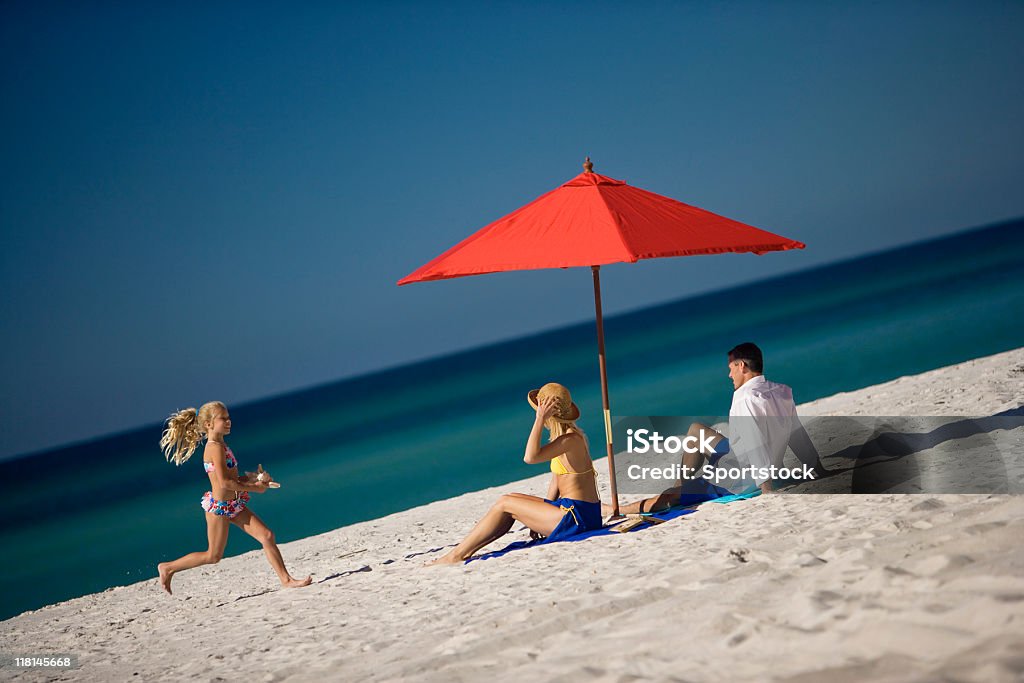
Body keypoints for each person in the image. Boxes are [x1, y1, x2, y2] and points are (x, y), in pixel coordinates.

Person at [611, 342, 827, 514]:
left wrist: (766, 488)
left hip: (741, 476)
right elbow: (796, 433)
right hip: (741, 458)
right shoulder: (781, 391)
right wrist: (817, 467)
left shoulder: (744, 398)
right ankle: (682, 484)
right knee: (696, 430)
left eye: (731, 368)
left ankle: (618, 508)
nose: (729, 375)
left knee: (669, 497)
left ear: (741, 366)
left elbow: (754, 443)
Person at [428, 383, 603, 565]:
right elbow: (557, 480)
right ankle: (464, 552)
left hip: (577, 518)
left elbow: (530, 457)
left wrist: (539, 419)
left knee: (505, 503)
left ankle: (455, 555)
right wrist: (541, 516)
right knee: (510, 497)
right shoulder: (568, 439)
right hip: (578, 513)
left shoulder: (570, 440)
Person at [156, 401, 311, 594]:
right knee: (213, 556)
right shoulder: (214, 448)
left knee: (267, 536)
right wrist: (255, 488)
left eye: (229, 417)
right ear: (209, 424)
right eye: (223, 418)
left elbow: (233, 478)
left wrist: (254, 478)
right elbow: (224, 483)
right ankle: (168, 567)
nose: (229, 421)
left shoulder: (221, 444)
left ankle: (286, 580)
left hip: (233, 505)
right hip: (219, 508)